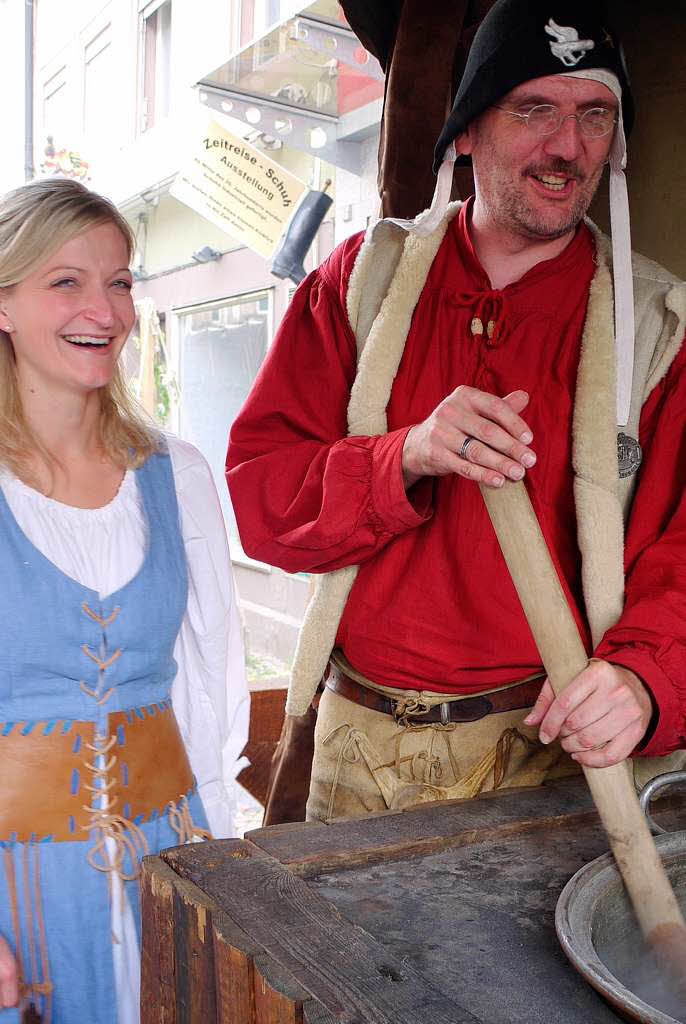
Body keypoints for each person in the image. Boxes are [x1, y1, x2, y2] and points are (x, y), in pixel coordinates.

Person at [227, 0, 686, 824]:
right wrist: (401, 455)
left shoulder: (659, 329)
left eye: (594, 114)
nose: (567, 146)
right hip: (354, 751)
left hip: (549, 769)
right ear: (467, 130)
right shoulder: (358, 284)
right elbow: (263, 496)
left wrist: (643, 677)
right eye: (533, 109)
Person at [0, 177, 249, 1022]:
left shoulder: (177, 477)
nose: (103, 310)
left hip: (169, 860)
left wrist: (220, 870)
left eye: (120, 280)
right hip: (13, 886)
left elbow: (207, 690)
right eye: (65, 281)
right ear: (3, 307)